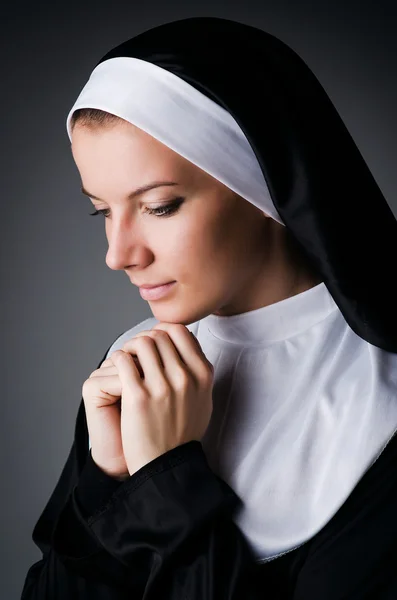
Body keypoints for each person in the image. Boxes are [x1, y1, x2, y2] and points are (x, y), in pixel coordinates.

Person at [21, 16, 397, 600]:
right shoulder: (133, 368)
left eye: (161, 206)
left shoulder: (384, 406)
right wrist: (107, 480)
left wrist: (165, 481)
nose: (117, 255)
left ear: (262, 186)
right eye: (102, 211)